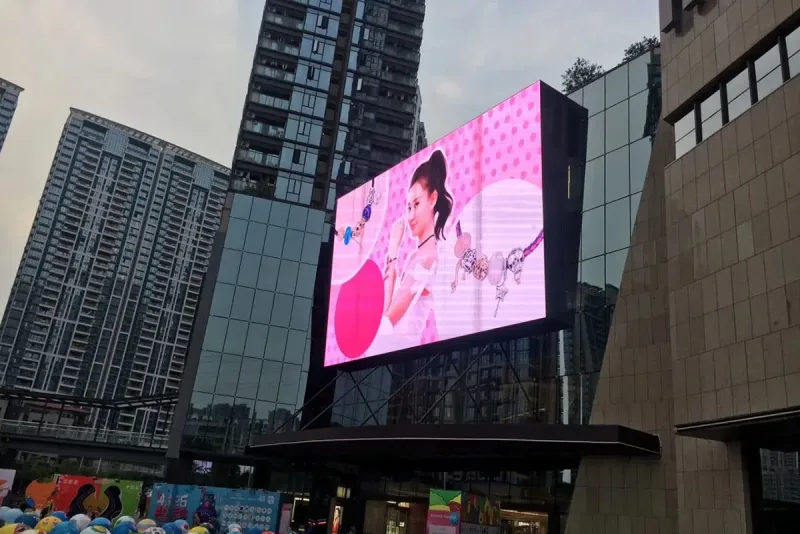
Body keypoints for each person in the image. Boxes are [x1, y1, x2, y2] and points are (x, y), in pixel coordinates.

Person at [368, 149, 453, 354]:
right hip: (388, 350)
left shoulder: (428, 258)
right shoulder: (417, 256)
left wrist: (393, 249)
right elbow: (388, 308)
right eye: (408, 207)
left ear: (432, 199)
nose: (411, 215)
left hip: (398, 350)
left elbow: (389, 318)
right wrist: (393, 250)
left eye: (416, 204)